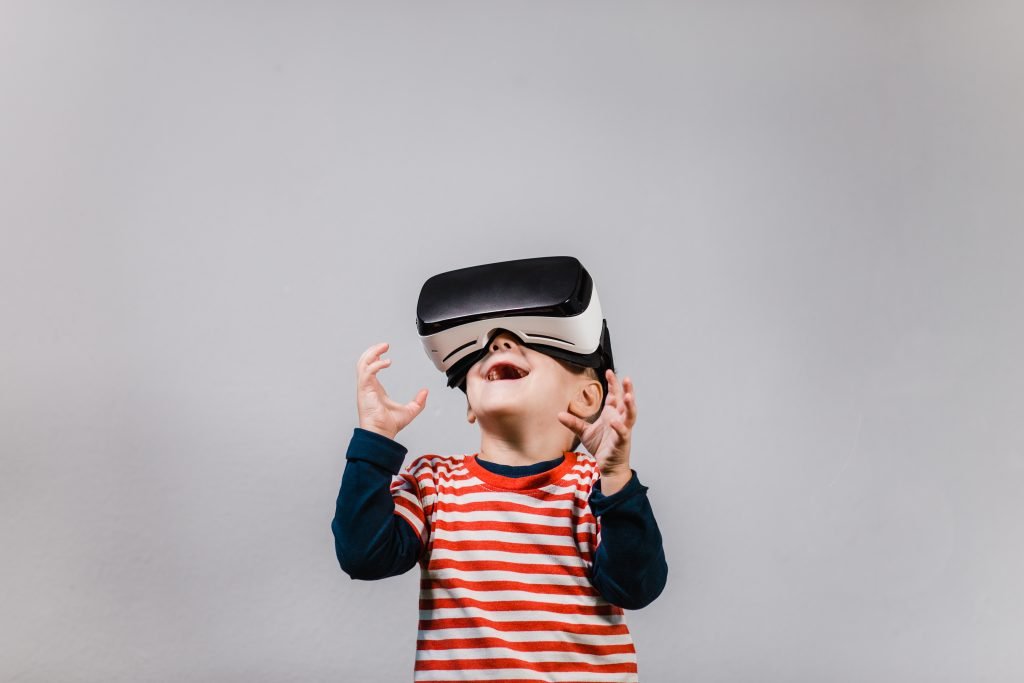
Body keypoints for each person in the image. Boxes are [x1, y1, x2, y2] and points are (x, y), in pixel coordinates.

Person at [332, 329, 667, 682]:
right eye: (486, 346)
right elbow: (363, 556)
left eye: (534, 340)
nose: (498, 342)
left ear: (585, 398)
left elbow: (636, 587)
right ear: (469, 405)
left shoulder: (594, 487)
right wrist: (374, 438)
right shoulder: (432, 482)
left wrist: (615, 475)